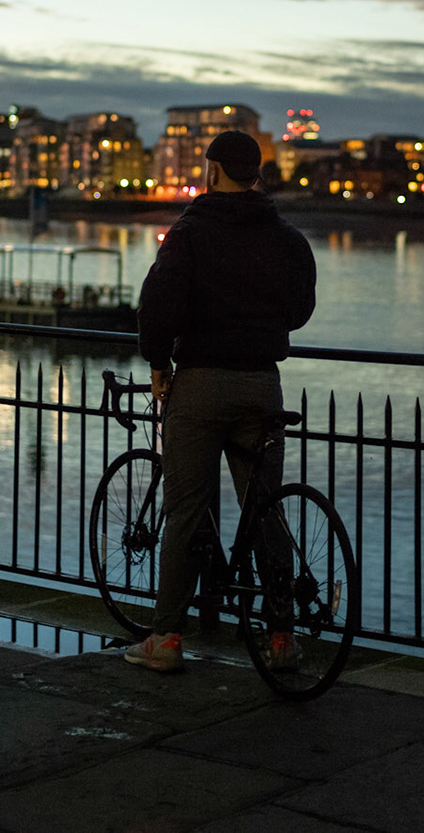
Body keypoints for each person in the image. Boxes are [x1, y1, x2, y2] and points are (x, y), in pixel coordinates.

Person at [125, 129, 317, 673]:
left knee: (186, 510)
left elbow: (157, 306)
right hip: (262, 384)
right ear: (257, 174)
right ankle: (281, 637)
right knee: (266, 510)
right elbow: (301, 310)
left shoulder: (188, 233)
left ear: (212, 172)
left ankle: (166, 638)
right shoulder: (286, 238)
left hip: (202, 383)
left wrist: (159, 363)